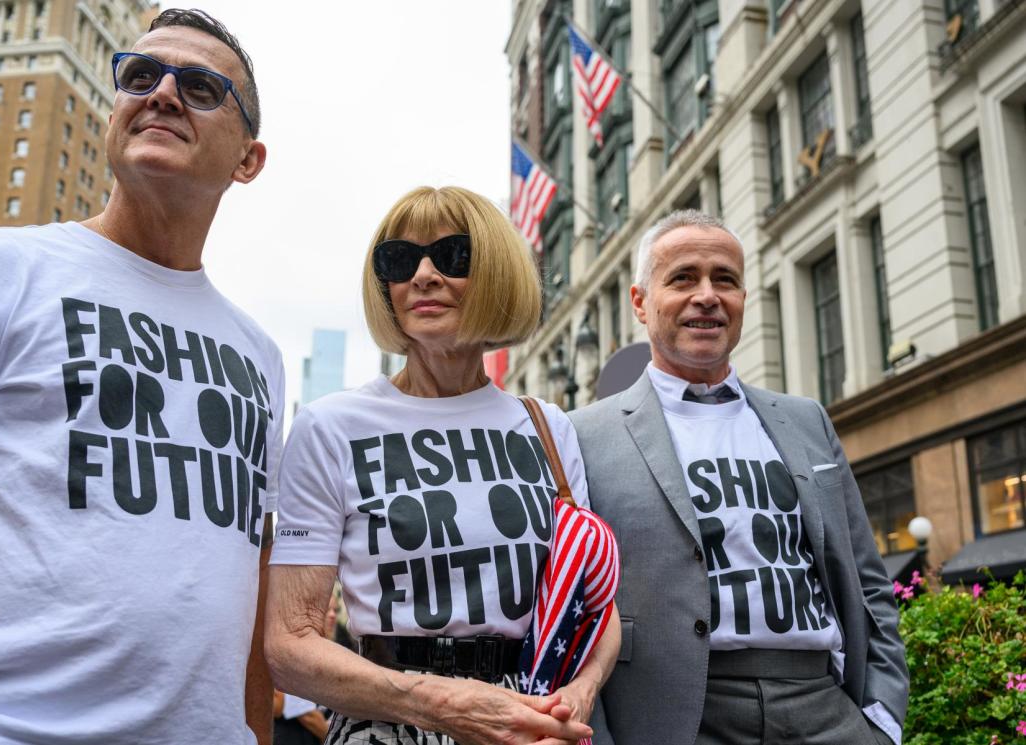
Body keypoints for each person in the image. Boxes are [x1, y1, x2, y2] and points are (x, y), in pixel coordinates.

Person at [0, 8, 283, 745]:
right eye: (141, 76)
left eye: (200, 87)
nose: (163, 94)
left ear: (248, 159)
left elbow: (252, 574)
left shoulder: (260, 353)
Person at [266, 186, 618, 745]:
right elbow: (288, 645)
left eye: (453, 256)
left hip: (533, 719)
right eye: (400, 260)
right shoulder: (329, 426)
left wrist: (579, 693)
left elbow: (595, 604)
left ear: (499, 273)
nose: (423, 275)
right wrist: (442, 706)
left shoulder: (548, 428)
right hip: (387, 720)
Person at [570, 210, 908, 745]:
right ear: (640, 302)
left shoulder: (806, 420)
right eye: (683, 278)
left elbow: (868, 582)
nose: (707, 295)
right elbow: (572, 608)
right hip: (675, 718)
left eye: (724, 279)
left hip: (824, 709)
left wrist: (882, 721)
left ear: (743, 300)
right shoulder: (581, 436)